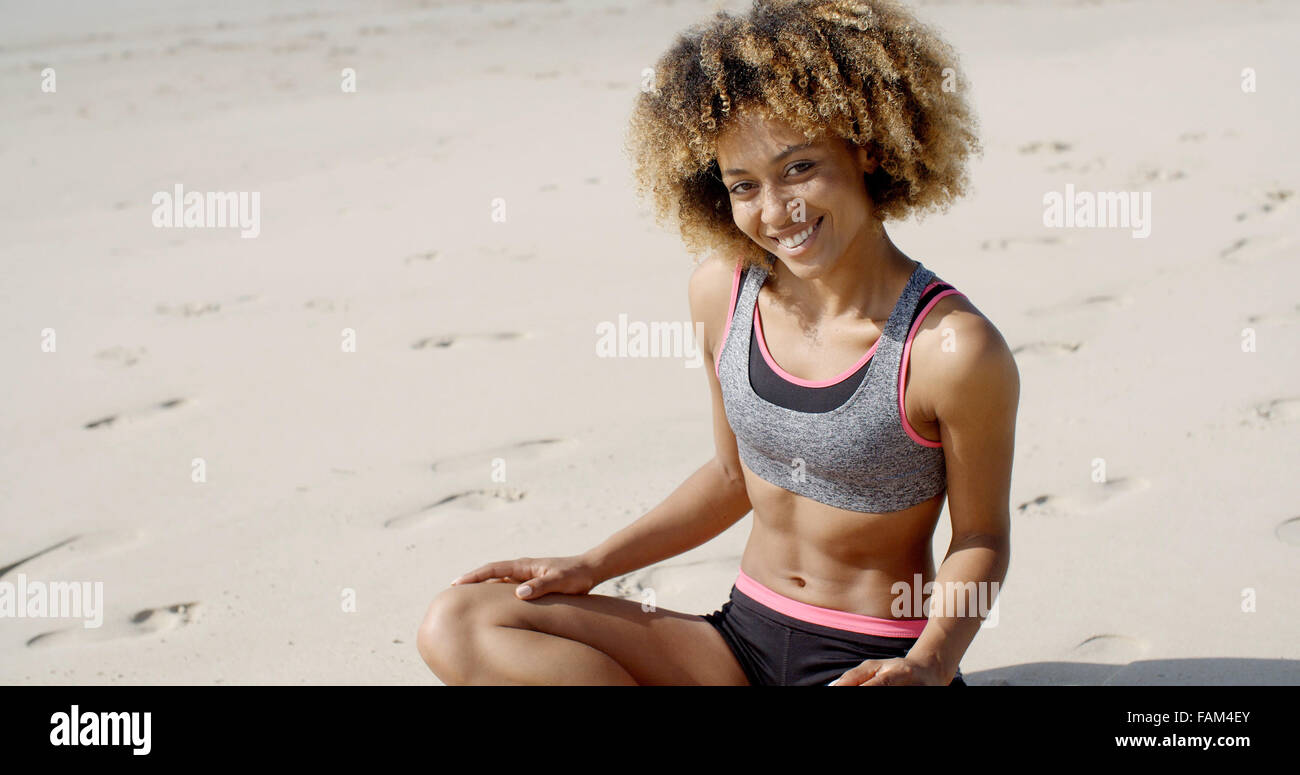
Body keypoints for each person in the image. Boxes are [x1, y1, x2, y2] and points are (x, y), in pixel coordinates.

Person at [417, 0, 1018, 686]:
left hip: (872, 662)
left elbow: (980, 539)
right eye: (743, 185)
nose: (774, 210)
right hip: (739, 639)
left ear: (868, 146)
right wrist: (593, 563)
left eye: (799, 168)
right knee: (461, 620)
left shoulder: (950, 348)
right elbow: (734, 475)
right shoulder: (722, 293)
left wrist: (928, 665)